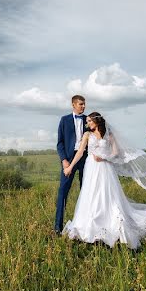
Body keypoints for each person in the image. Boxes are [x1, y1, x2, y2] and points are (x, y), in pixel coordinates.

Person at [62, 112, 146, 249]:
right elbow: (80, 152)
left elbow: (115, 152)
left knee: (108, 194)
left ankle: (111, 220)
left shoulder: (108, 134)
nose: (87, 124)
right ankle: (91, 222)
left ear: (97, 121)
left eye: (89, 121)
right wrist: (70, 167)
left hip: (106, 166)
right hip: (92, 168)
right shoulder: (87, 135)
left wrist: (104, 157)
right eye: (87, 121)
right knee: (91, 193)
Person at [53, 95, 87, 234]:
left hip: (85, 158)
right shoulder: (64, 120)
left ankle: (85, 225)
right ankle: (57, 228)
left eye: (84, 104)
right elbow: (59, 143)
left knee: (86, 190)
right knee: (63, 192)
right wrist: (64, 160)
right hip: (69, 158)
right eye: (81, 104)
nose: (83, 106)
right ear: (73, 105)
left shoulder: (88, 120)